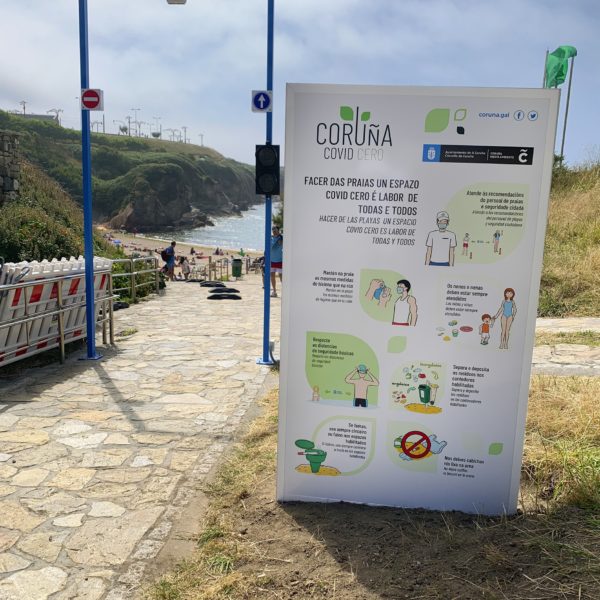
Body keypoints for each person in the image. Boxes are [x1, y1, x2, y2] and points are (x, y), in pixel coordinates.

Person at [270, 226, 283, 297]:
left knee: (281, 276)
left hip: (279, 260)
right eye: (273, 230)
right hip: (272, 260)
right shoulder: (271, 238)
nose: (274, 232)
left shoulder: (281, 238)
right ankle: (274, 291)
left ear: (278, 230)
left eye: (275, 230)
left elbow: (282, 245)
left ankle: (284, 291)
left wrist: (279, 238)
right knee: (272, 276)